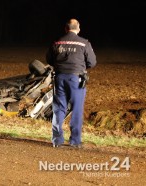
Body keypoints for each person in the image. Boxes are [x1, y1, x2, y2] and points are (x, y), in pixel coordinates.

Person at [46, 18, 97, 148]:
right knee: (77, 109)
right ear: (78, 29)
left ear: (65, 28)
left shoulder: (56, 42)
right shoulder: (84, 43)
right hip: (76, 79)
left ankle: (57, 140)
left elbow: (49, 60)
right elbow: (92, 62)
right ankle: (75, 140)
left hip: (59, 78)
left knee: (59, 108)